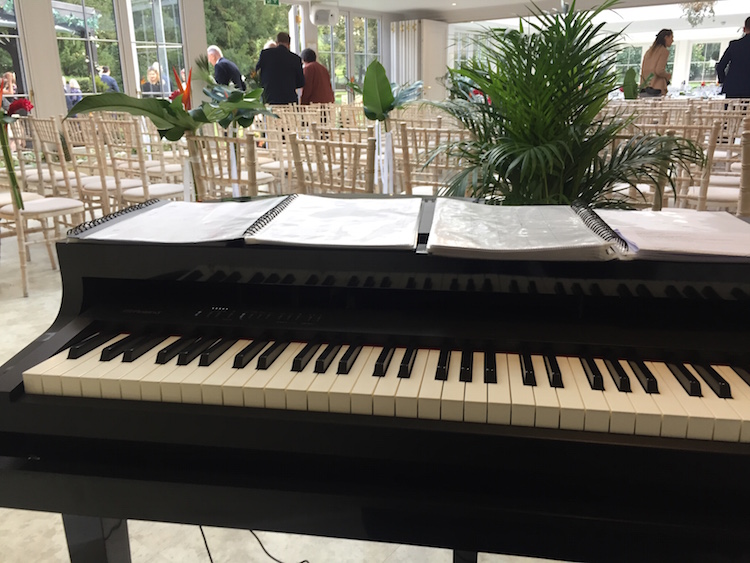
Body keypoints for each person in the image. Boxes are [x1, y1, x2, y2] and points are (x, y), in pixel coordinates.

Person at [255, 31, 304, 104]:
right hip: (289, 100)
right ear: (289, 44)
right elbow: (301, 82)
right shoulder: (296, 59)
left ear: (276, 42)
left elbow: (257, 73)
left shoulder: (265, 54)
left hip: (269, 98)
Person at [716, 17, 750, 99]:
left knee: (731, 112)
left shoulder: (734, 45)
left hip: (733, 90)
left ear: (744, 29)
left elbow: (720, 67)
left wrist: (724, 81)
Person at [640, 29, 673, 97]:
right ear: (666, 37)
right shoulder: (663, 51)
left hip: (644, 88)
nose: (672, 40)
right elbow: (659, 70)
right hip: (656, 89)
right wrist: (668, 76)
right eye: (671, 38)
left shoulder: (649, 51)